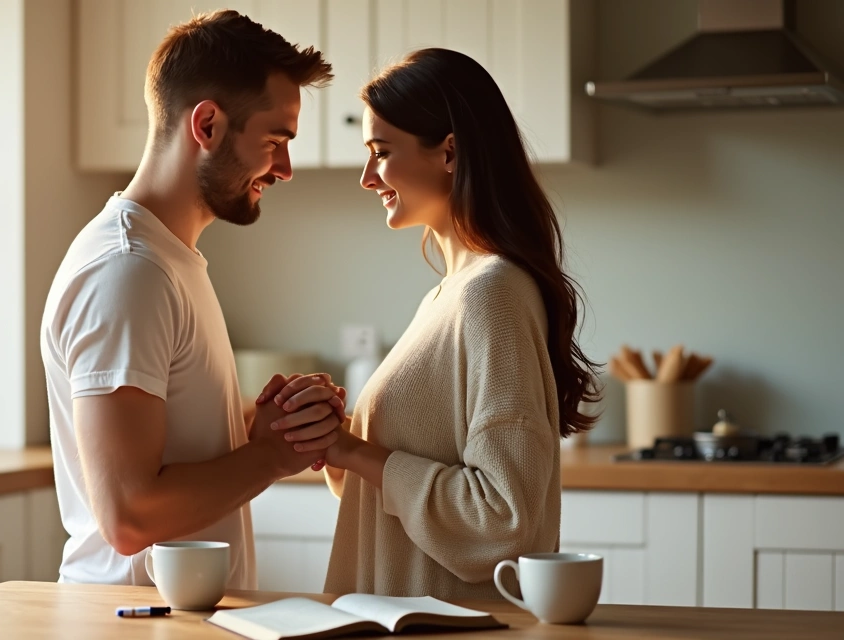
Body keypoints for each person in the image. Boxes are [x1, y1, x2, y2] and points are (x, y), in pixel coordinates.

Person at [264, 48, 600, 600]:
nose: (369, 177)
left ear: (449, 152)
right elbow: (394, 480)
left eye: (381, 152)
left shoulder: (492, 295)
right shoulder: (451, 295)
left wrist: (354, 451)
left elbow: (501, 521)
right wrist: (338, 434)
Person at [40, 10, 344, 589]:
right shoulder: (128, 271)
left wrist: (270, 427)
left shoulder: (167, 260)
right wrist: (276, 459)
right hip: (130, 622)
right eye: (275, 141)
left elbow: (172, 444)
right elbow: (129, 517)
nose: (284, 168)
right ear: (206, 125)